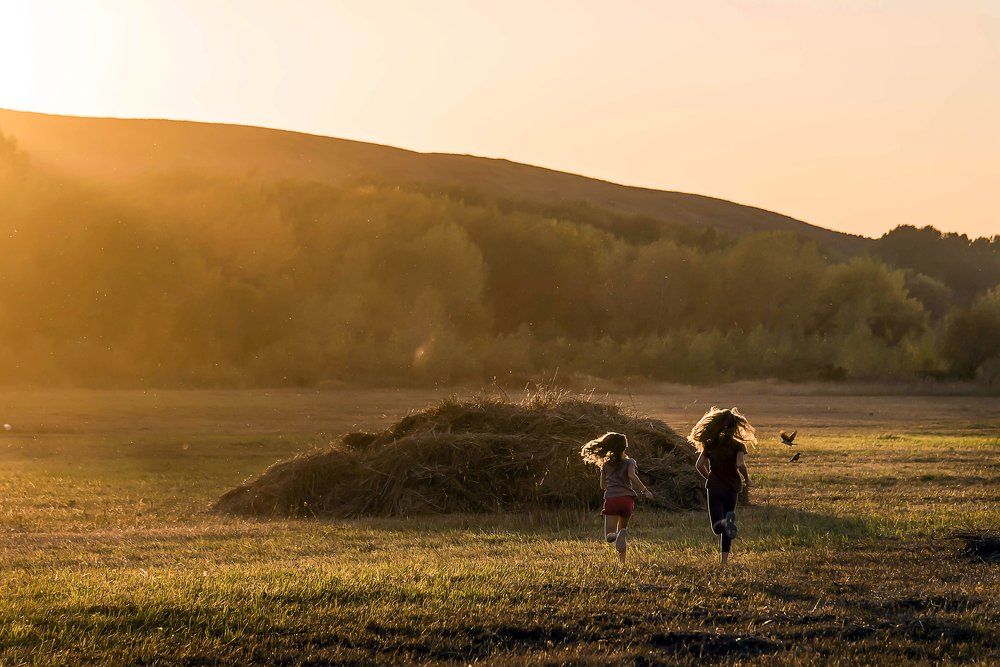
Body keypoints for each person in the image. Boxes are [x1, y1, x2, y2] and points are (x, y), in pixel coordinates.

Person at [689, 407, 755, 567]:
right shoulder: (738, 445)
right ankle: (724, 561)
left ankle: (725, 521)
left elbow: (699, 465)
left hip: (714, 487)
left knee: (717, 527)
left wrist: (709, 477)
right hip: (732, 487)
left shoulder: (710, 443)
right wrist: (747, 479)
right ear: (735, 427)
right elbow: (740, 464)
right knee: (727, 526)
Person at [580, 432, 654, 564]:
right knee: (622, 533)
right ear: (625, 447)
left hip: (612, 500)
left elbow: (603, 486)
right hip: (627, 501)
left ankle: (616, 535)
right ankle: (622, 562)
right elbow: (632, 476)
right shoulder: (630, 462)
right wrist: (645, 490)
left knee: (609, 536)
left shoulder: (606, 465)